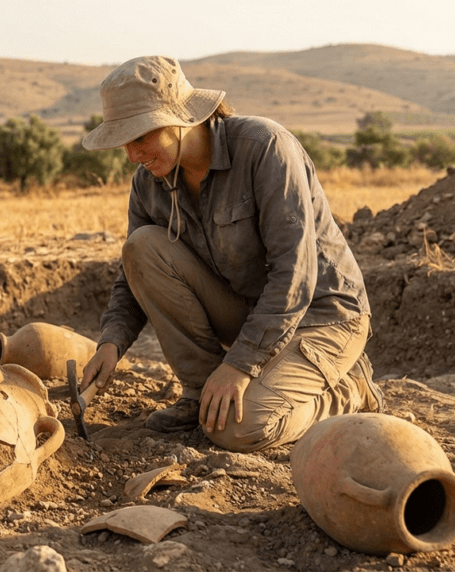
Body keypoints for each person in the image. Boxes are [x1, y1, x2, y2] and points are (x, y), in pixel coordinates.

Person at [79, 56, 383, 453]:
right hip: (252, 313)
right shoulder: (148, 183)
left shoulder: (265, 148)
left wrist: (241, 364)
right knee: (141, 246)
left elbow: (295, 274)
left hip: (322, 316)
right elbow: (133, 275)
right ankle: (201, 394)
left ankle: (349, 391)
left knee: (237, 429)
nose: (132, 155)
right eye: (124, 143)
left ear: (178, 118)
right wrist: (111, 343)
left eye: (139, 138)